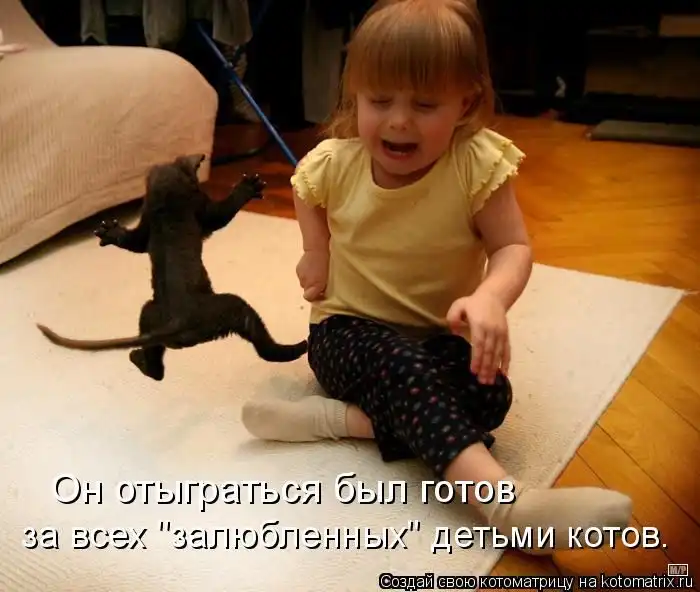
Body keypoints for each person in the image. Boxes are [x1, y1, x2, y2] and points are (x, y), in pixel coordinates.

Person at [242, 0, 632, 555]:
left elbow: (512, 246)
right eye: (380, 101)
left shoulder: (476, 163)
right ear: (355, 94)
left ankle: (336, 419)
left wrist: (491, 297)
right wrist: (315, 250)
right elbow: (305, 188)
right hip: (345, 334)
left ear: (465, 102)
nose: (399, 120)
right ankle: (508, 507)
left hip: (433, 337)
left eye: (425, 104)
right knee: (403, 369)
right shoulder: (336, 161)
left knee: (488, 394)